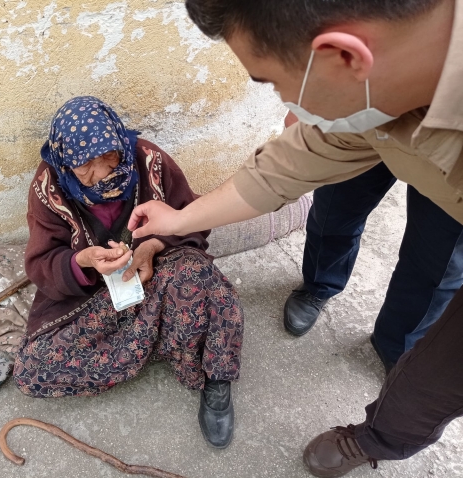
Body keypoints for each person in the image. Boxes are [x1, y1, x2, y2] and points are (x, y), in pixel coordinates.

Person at [127, 0, 463, 475]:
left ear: (344, 58)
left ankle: (391, 396)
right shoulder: (370, 96)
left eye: (275, 83)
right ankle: (329, 299)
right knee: (336, 212)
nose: (287, 106)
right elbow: (277, 174)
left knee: (434, 362)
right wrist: (176, 221)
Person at [13, 96, 245, 449]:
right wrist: (83, 261)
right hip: (98, 293)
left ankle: (215, 376)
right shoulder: (49, 188)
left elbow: (192, 216)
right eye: (86, 165)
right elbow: (42, 263)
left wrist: (152, 247)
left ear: (121, 140)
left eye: (110, 156)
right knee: (34, 369)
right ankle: (155, 335)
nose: (104, 173)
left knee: (200, 280)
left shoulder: (148, 160)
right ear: (65, 161)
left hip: (161, 269)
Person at [282, 112, 463, 374]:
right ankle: (319, 284)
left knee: (440, 260)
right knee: (336, 207)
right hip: (378, 103)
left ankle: (398, 343)